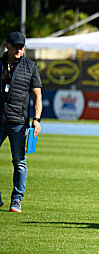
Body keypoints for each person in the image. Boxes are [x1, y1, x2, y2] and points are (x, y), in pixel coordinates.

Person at [0, 31, 42, 212]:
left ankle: (17, 199)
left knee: (19, 161)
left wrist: (37, 119)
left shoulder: (31, 66)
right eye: (16, 46)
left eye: (22, 47)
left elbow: (38, 95)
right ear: (7, 45)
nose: (19, 50)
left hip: (18, 121)